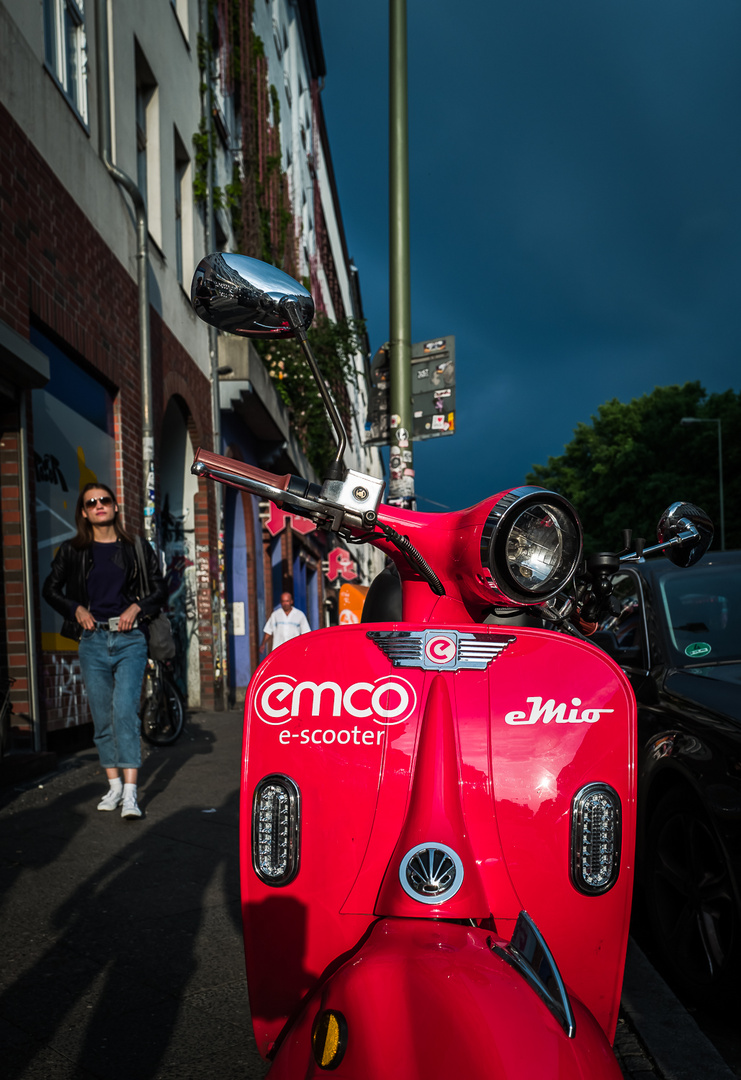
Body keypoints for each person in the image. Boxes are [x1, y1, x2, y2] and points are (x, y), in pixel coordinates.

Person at [42, 483, 166, 819]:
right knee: (101, 715)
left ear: (114, 506)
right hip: (93, 641)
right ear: (83, 512)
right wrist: (75, 609)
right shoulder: (73, 550)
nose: (99, 505)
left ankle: (130, 793)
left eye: (105, 500)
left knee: (124, 711)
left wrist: (136, 608)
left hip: (129, 640)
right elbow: (50, 589)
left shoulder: (136, 547)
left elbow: (159, 589)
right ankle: (112, 785)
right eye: (91, 502)